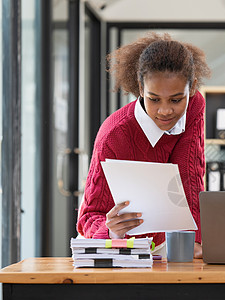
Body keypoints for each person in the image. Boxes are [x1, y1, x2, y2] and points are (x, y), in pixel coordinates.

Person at [77, 32, 211, 258]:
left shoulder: (194, 107)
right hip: (114, 248)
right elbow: (89, 216)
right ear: (140, 88)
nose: (165, 110)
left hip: (161, 244)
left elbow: (189, 177)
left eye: (176, 99)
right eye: (154, 99)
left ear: (193, 87)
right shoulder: (114, 134)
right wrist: (110, 230)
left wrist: (194, 239)